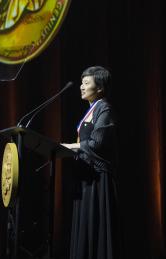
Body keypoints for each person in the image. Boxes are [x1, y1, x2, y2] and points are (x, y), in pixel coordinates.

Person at [62, 66, 121, 259]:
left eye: (86, 83)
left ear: (100, 88)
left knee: (96, 227)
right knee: (84, 226)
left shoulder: (104, 107)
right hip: (85, 176)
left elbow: (98, 142)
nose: (81, 86)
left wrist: (72, 146)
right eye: (81, 82)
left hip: (98, 179)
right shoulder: (91, 109)